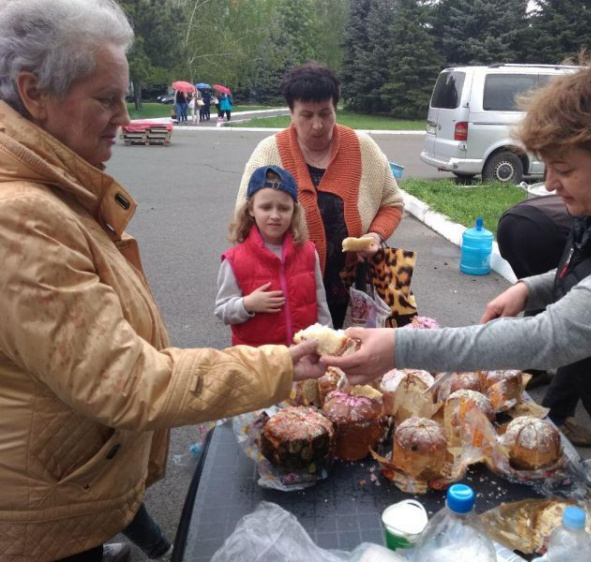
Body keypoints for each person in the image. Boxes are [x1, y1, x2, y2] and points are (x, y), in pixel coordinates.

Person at [326, 54, 591, 562]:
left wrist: (400, 346)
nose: (549, 183)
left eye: (565, 169)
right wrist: (534, 287)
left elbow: (551, 337)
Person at [0, 1, 370, 560]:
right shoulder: (20, 219)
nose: (125, 118)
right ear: (34, 93)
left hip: (69, 479)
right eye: (106, 99)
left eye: (125, 98)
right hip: (40, 512)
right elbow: (124, 381)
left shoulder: (57, 191)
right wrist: (277, 363)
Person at [234, 62, 404, 328]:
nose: (317, 125)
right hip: (288, 292)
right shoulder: (269, 153)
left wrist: (374, 235)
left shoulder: (362, 148)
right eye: (306, 114)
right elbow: (244, 220)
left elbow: (392, 203)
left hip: (353, 292)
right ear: (290, 112)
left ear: (335, 108)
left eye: (325, 113)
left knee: (349, 361)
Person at [496, 195, 591, 447]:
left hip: (511, 222)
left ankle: (531, 370)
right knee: (577, 325)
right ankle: (558, 413)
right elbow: (578, 323)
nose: (553, 180)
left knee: (552, 305)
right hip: (541, 231)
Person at [215, 165, 332, 345]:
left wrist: (328, 342)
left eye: (284, 208)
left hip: (302, 358)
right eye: (266, 207)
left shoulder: (308, 252)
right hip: (257, 363)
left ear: (294, 212)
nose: (275, 215)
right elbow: (222, 309)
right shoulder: (234, 260)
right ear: (251, 209)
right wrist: (247, 304)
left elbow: (320, 303)